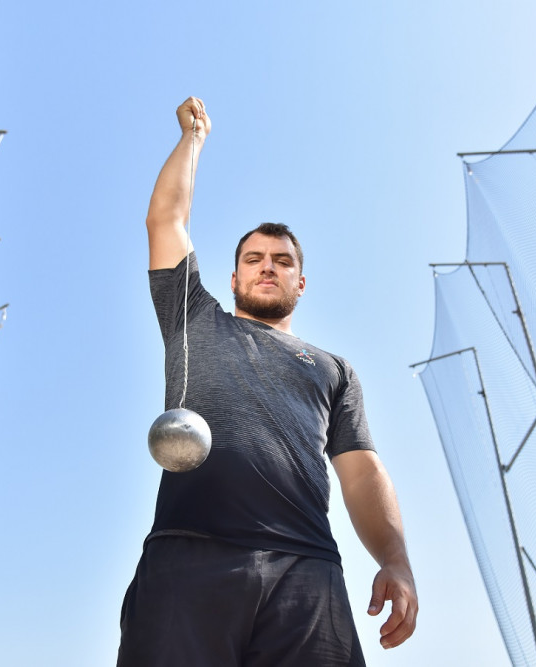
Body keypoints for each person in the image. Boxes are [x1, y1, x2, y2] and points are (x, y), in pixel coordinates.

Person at [117, 97, 418, 666]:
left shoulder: (333, 369)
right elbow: (166, 221)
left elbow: (362, 472)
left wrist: (396, 561)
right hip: (189, 554)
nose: (267, 266)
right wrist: (193, 140)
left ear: (300, 282)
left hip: (308, 569)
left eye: (282, 260)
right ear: (233, 278)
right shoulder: (194, 319)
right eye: (254, 258)